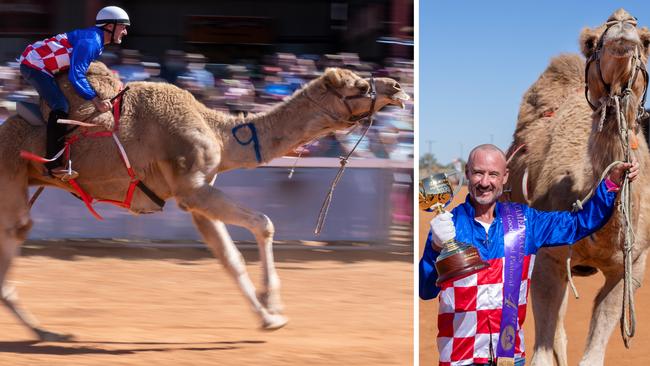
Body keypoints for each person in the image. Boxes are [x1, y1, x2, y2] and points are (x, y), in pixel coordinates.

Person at [419, 144, 639, 366]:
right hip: (460, 359)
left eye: (493, 174)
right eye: (478, 172)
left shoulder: (525, 221)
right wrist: (435, 250)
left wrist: (610, 184)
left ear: (505, 177)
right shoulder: (446, 227)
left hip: (509, 358)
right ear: (467, 173)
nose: (485, 182)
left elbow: (578, 224)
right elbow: (426, 289)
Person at [17, 5, 130, 178]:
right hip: (34, 65)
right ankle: (52, 165)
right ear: (109, 26)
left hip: (43, 65)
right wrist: (95, 99)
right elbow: (76, 75)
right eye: (123, 27)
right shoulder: (92, 41)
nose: (125, 32)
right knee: (60, 105)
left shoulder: (96, 41)